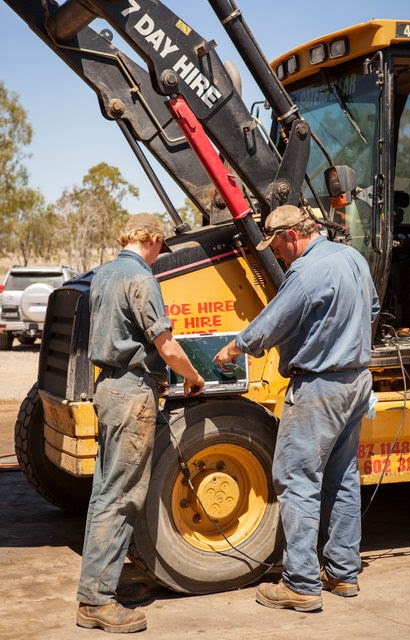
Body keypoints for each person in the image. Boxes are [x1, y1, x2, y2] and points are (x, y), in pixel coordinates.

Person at [214, 204, 380, 613]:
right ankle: (343, 574)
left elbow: (271, 323)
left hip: (319, 388)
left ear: (292, 235)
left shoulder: (305, 273)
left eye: (279, 247)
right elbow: (372, 309)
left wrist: (234, 349)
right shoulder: (352, 257)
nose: (279, 255)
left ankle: (301, 583)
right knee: (342, 479)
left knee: (297, 479)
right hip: (357, 381)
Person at [76, 213, 205, 633]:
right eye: (158, 246)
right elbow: (165, 345)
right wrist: (192, 376)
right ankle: (96, 601)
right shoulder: (141, 279)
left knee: (105, 492)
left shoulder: (102, 274)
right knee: (123, 496)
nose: (157, 254)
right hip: (132, 393)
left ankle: (100, 585)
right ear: (151, 239)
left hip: (107, 389)